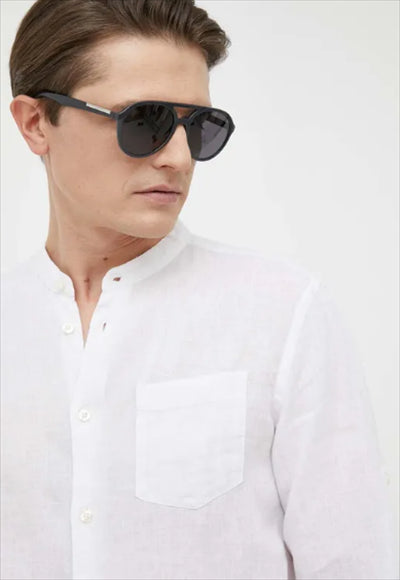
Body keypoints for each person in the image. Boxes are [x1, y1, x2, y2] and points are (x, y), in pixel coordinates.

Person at [1, 1, 397, 579]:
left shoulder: (281, 314)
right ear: (37, 123)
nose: (179, 158)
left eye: (198, 127)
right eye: (144, 121)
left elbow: (352, 563)